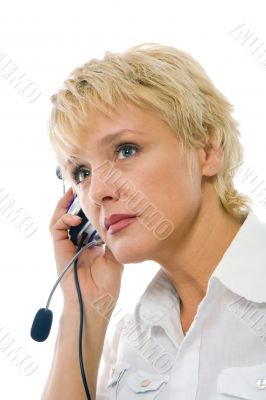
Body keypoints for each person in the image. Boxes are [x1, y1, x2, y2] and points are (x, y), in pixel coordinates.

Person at [41, 43, 266, 400]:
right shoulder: (129, 342)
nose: (98, 191)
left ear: (207, 150)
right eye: (81, 172)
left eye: (125, 150)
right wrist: (82, 313)